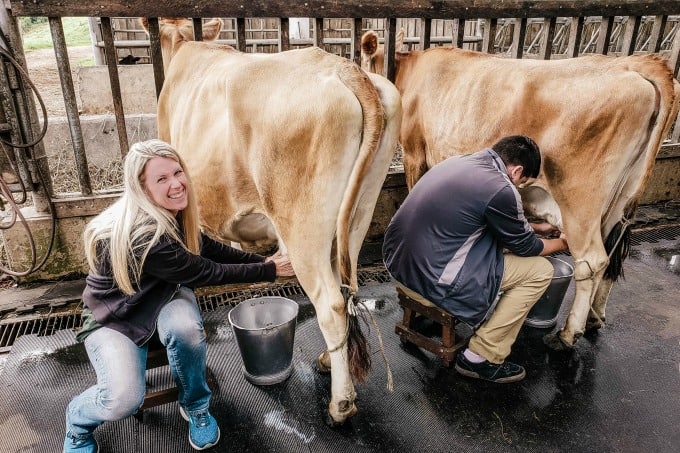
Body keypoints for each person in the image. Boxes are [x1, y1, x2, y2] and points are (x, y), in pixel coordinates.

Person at [63, 139, 294, 452]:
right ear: (141, 189)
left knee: (185, 330)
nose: (176, 184)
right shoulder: (146, 234)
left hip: (161, 295)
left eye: (177, 172)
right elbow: (206, 272)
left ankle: (196, 404)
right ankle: (77, 422)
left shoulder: (172, 214)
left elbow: (210, 250)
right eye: (161, 179)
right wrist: (269, 271)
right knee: (124, 399)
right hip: (114, 317)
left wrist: (264, 262)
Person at [383, 135, 568, 383]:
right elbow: (527, 248)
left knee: (492, 246)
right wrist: (564, 243)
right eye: (522, 183)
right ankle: (482, 356)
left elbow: (487, 221)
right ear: (517, 171)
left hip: (398, 265)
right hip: (430, 283)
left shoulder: (461, 162)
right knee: (540, 271)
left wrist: (537, 227)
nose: (518, 188)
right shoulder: (501, 188)